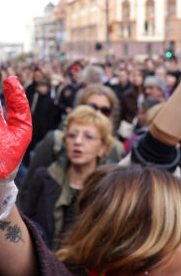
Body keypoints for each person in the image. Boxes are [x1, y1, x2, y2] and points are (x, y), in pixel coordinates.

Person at [0, 19, 181, 275]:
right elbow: (28, 265)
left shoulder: (118, 172)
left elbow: (155, 150)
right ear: (145, 254)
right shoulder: (50, 176)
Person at [21, 105, 114, 249]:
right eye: (72, 135)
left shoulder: (108, 190)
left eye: (88, 137)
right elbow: (25, 226)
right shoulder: (43, 178)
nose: (77, 141)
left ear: (102, 148)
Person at [19, 84, 124, 204]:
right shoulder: (55, 141)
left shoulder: (116, 149)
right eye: (91, 107)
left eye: (105, 111)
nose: (97, 114)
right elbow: (28, 190)